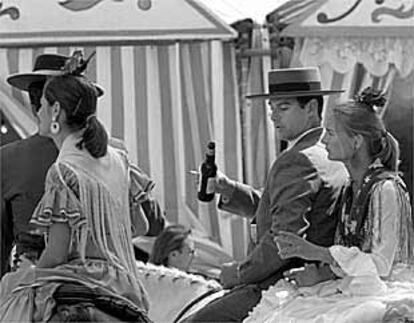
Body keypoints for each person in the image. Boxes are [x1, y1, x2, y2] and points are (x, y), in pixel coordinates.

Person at [183, 67, 349, 322]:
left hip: (285, 278)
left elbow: (283, 239)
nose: (273, 116)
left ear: (312, 108)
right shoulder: (328, 151)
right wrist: (230, 190)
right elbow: (286, 212)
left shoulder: (297, 158)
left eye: (283, 108)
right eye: (272, 108)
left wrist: (239, 273)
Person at [0, 51, 151, 322]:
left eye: (44, 104)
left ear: (54, 109)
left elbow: (56, 253)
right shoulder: (119, 156)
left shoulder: (60, 170)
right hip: (123, 286)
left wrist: (25, 276)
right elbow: (142, 227)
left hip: (65, 280)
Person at [245, 87, 414, 323]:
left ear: (355, 141)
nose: (324, 139)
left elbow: (382, 265)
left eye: (332, 133)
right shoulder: (350, 187)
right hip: (353, 287)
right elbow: (353, 253)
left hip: (383, 292)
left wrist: (315, 252)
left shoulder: (384, 189)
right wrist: (321, 272)